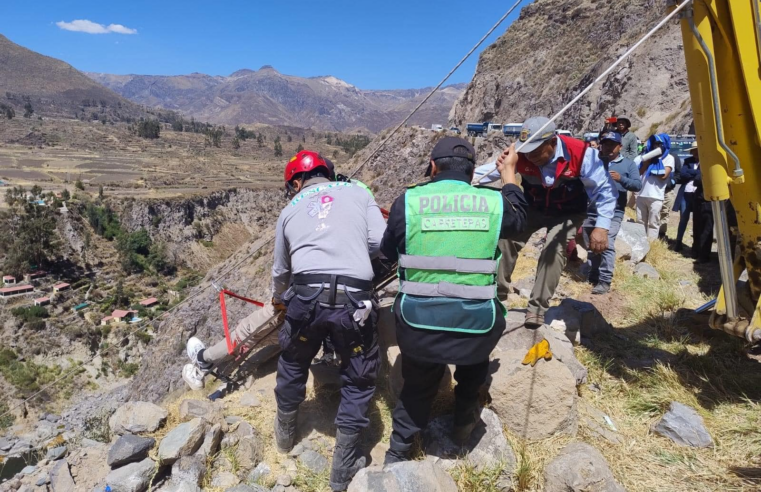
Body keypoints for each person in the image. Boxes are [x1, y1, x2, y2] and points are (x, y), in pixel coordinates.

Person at [380, 137, 527, 463]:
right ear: (473, 172)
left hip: (419, 328)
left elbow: (387, 253)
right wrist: (509, 175)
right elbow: (519, 220)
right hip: (476, 327)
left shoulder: (409, 202)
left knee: (416, 388)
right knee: (473, 374)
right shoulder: (491, 203)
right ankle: (462, 429)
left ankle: (398, 454)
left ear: (433, 167)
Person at [474, 117, 617, 327]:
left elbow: (604, 190)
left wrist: (602, 226)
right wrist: (455, 180)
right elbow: (487, 173)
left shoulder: (582, 153)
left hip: (569, 212)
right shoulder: (519, 154)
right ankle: (496, 297)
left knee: (555, 248)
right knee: (505, 237)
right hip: (534, 207)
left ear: (552, 142)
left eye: (536, 151)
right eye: (527, 151)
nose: (530, 157)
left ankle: (536, 309)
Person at [584, 132, 642, 294]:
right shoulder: (594, 162)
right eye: (606, 144)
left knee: (606, 243)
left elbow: (637, 185)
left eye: (613, 144)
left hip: (614, 212)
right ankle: (593, 274)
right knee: (591, 244)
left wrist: (621, 179)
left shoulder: (628, 164)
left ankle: (605, 280)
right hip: (591, 210)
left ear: (620, 147)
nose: (609, 147)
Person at [635, 134, 674, 240]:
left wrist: (654, 165)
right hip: (641, 194)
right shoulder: (644, 157)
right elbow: (638, 173)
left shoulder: (668, 158)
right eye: (655, 143)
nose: (657, 146)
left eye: (659, 144)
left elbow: (664, 175)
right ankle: (640, 243)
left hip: (656, 196)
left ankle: (651, 245)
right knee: (640, 221)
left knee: (653, 223)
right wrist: (647, 163)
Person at [673, 142, 700, 252]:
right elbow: (683, 174)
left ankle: (696, 245)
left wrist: (693, 173)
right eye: (693, 151)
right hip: (686, 193)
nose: (694, 153)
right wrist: (696, 173)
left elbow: (702, 174)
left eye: (696, 150)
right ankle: (678, 242)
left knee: (697, 220)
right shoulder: (688, 161)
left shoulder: (706, 161)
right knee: (683, 218)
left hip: (698, 194)